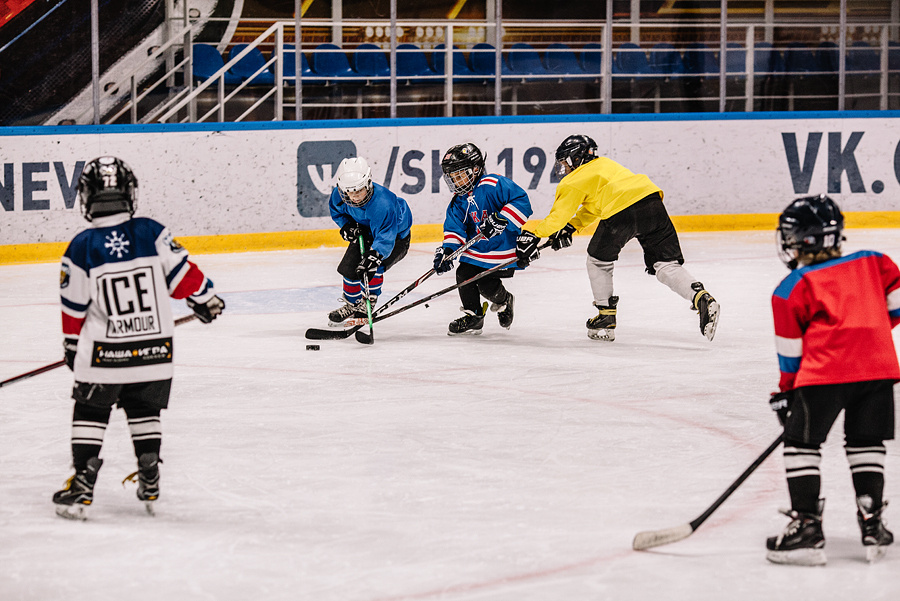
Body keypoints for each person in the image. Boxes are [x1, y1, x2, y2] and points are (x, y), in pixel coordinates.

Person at [53, 156, 225, 520]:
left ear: (86, 196)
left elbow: (74, 306)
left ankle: (83, 483)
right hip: (156, 352)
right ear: (128, 191)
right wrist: (206, 299)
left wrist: (72, 346)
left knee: (90, 410)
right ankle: (149, 470)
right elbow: (184, 277)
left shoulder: (81, 245)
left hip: (104, 356)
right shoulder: (151, 232)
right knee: (144, 408)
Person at [766, 194, 898, 566]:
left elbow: (791, 354)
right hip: (879, 370)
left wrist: (786, 393)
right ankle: (873, 524)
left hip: (823, 374)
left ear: (802, 240)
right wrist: (863, 333)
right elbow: (896, 307)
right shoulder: (876, 262)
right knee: (865, 442)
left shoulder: (792, 286)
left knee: (800, 445)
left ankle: (807, 527)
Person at [516, 134, 719, 342]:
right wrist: (572, 227)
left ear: (575, 158)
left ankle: (606, 317)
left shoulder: (573, 180)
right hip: (652, 203)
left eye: (565, 162)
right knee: (666, 265)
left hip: (622, 213)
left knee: (598, 261)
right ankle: (700, 297)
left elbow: (556, 219)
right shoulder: (605, 165)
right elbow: (594, 206)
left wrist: (532, 235)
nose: (564, 169)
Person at [433, 142, 532, 335]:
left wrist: (502, 219)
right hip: (477, 251)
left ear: (475, 169)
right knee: (463, 275)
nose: (454, 180)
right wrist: (447, 252)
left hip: (503, 249)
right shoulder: (458, 201)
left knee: (487, 286)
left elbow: (522, 200)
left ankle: (505, 300)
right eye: (451, 176)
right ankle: (474, 317)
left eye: (459, 175)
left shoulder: (493, 184)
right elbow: (455, 229)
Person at [326, 156, 412, 327]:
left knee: (373, 267)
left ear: (368, 183)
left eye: (359, 191)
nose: (355, 197)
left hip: (396, 238)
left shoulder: (383, 203)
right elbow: (337, 212)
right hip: (366, 232)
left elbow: (386, 236)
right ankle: (352, 304)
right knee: (349, 268)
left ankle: (368, 302)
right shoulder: (339, 194)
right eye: (350, 192)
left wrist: (374, 255)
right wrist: (347, 226)